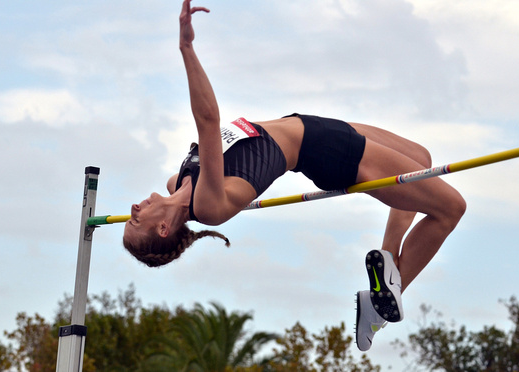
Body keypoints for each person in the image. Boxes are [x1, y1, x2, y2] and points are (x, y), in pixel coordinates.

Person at [123, 0, 466, 352]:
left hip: (308, 125)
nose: (134, 208)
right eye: (136, 221)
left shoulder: (175, 183)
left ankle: (388, 269)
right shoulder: (208, 206)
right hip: (325, 151)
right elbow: (209, 122)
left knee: (419, 158)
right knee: (451, 207)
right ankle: (380, 308)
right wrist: (186, 48)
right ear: (164, 229)